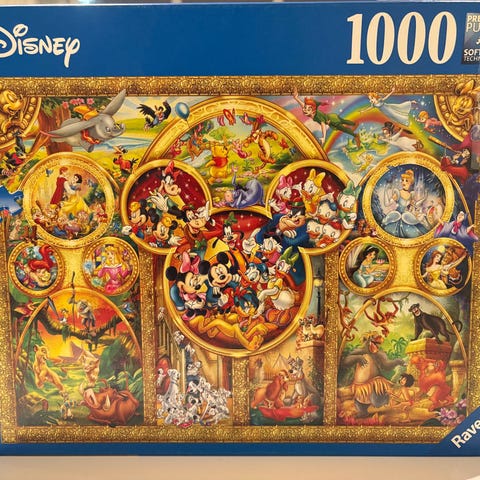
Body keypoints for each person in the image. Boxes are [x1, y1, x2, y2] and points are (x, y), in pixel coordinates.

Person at [293, 87, 360, 147]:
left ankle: (356, 135)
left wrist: (324, 137)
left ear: (313, 111)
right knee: (343, 121)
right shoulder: (311, 111)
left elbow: (323, 125)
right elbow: (303, 105)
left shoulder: (317, 116)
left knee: (343, 128)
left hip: (333, 121)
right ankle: (354, 124)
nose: (305, 110)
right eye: (305, 108)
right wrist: (296, 98)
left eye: (308, 109)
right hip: (332, 117)